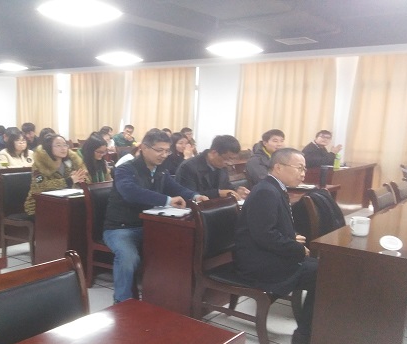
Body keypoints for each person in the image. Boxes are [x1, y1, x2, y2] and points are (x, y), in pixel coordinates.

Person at [103, 128, 209, 303]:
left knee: (179, 247)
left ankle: (167, 298)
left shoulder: (160, 170)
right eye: (159, 150)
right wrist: (167, 200)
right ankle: (122, 302)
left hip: (150, 225)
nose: (164, 155)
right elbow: (130, 192)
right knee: (128, 257)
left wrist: (195, 196)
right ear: (144, 148)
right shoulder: (125, 169)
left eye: (167, 151)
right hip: (121, 227)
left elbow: (175, 188)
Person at [234, 148, 317, 344]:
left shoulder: (274, 187)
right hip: (257, 262)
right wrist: (296, 249)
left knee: (323, 268)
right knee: (323, 272)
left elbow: (272, 226)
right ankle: (304, 334)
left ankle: (309, 328)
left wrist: (291, 237)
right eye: (299, 168)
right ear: (278, 167)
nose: (303, 174)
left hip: (267, 252)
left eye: (304, 169)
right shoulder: (265, 191)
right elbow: (265, 235)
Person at [24, 133, 87, 216]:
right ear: (49, 147)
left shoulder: (70, 162)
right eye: (58, 145)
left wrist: (80, 181)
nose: (63, 148)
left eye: (65, 145)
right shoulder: (39, 165)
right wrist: (69, 180)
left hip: (65, 202)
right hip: (39, 205)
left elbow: (84, 180)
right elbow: (40, 186)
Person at [176, 135, 250, 200]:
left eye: (233, 159)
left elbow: (226, 187)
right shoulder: (189, 167)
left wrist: (236, 191)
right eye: (227, 159)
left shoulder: (222, 166)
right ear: (214, 153)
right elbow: (188, 194)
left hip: (217, 207)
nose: (230, 163)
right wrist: (218, 193)